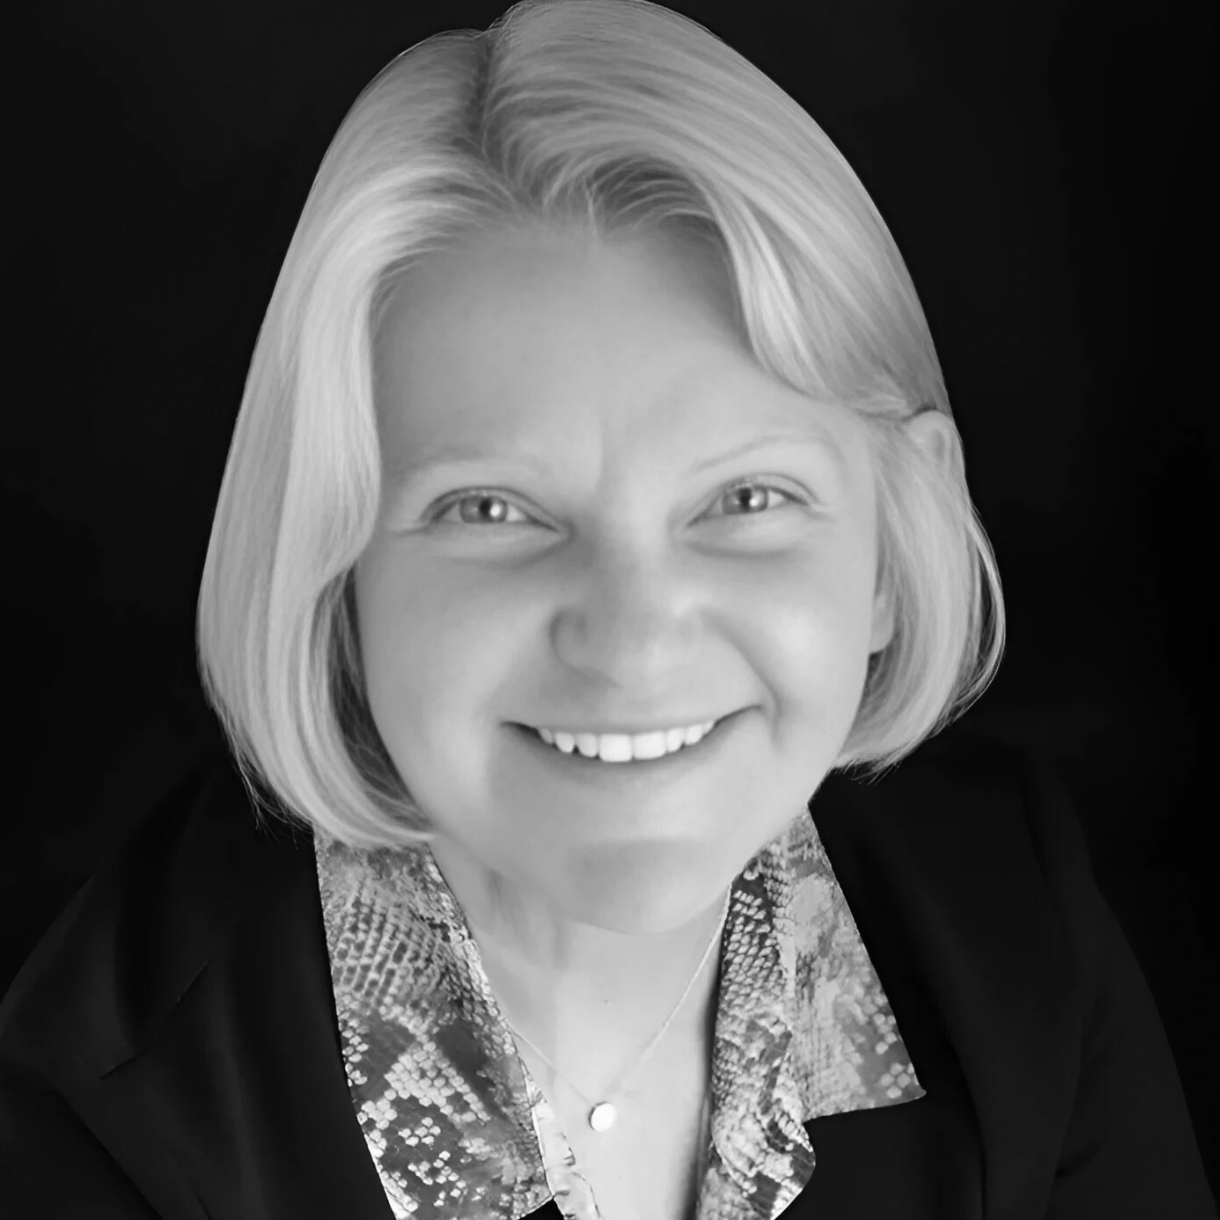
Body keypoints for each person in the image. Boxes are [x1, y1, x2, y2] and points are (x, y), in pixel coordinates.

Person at [1, 1, 1213, 1217]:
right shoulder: (105, 1124)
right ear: (331, 574)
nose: (632, 642)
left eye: (746, 496)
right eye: (490, 510)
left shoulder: (1012, 929)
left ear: (896, 552)